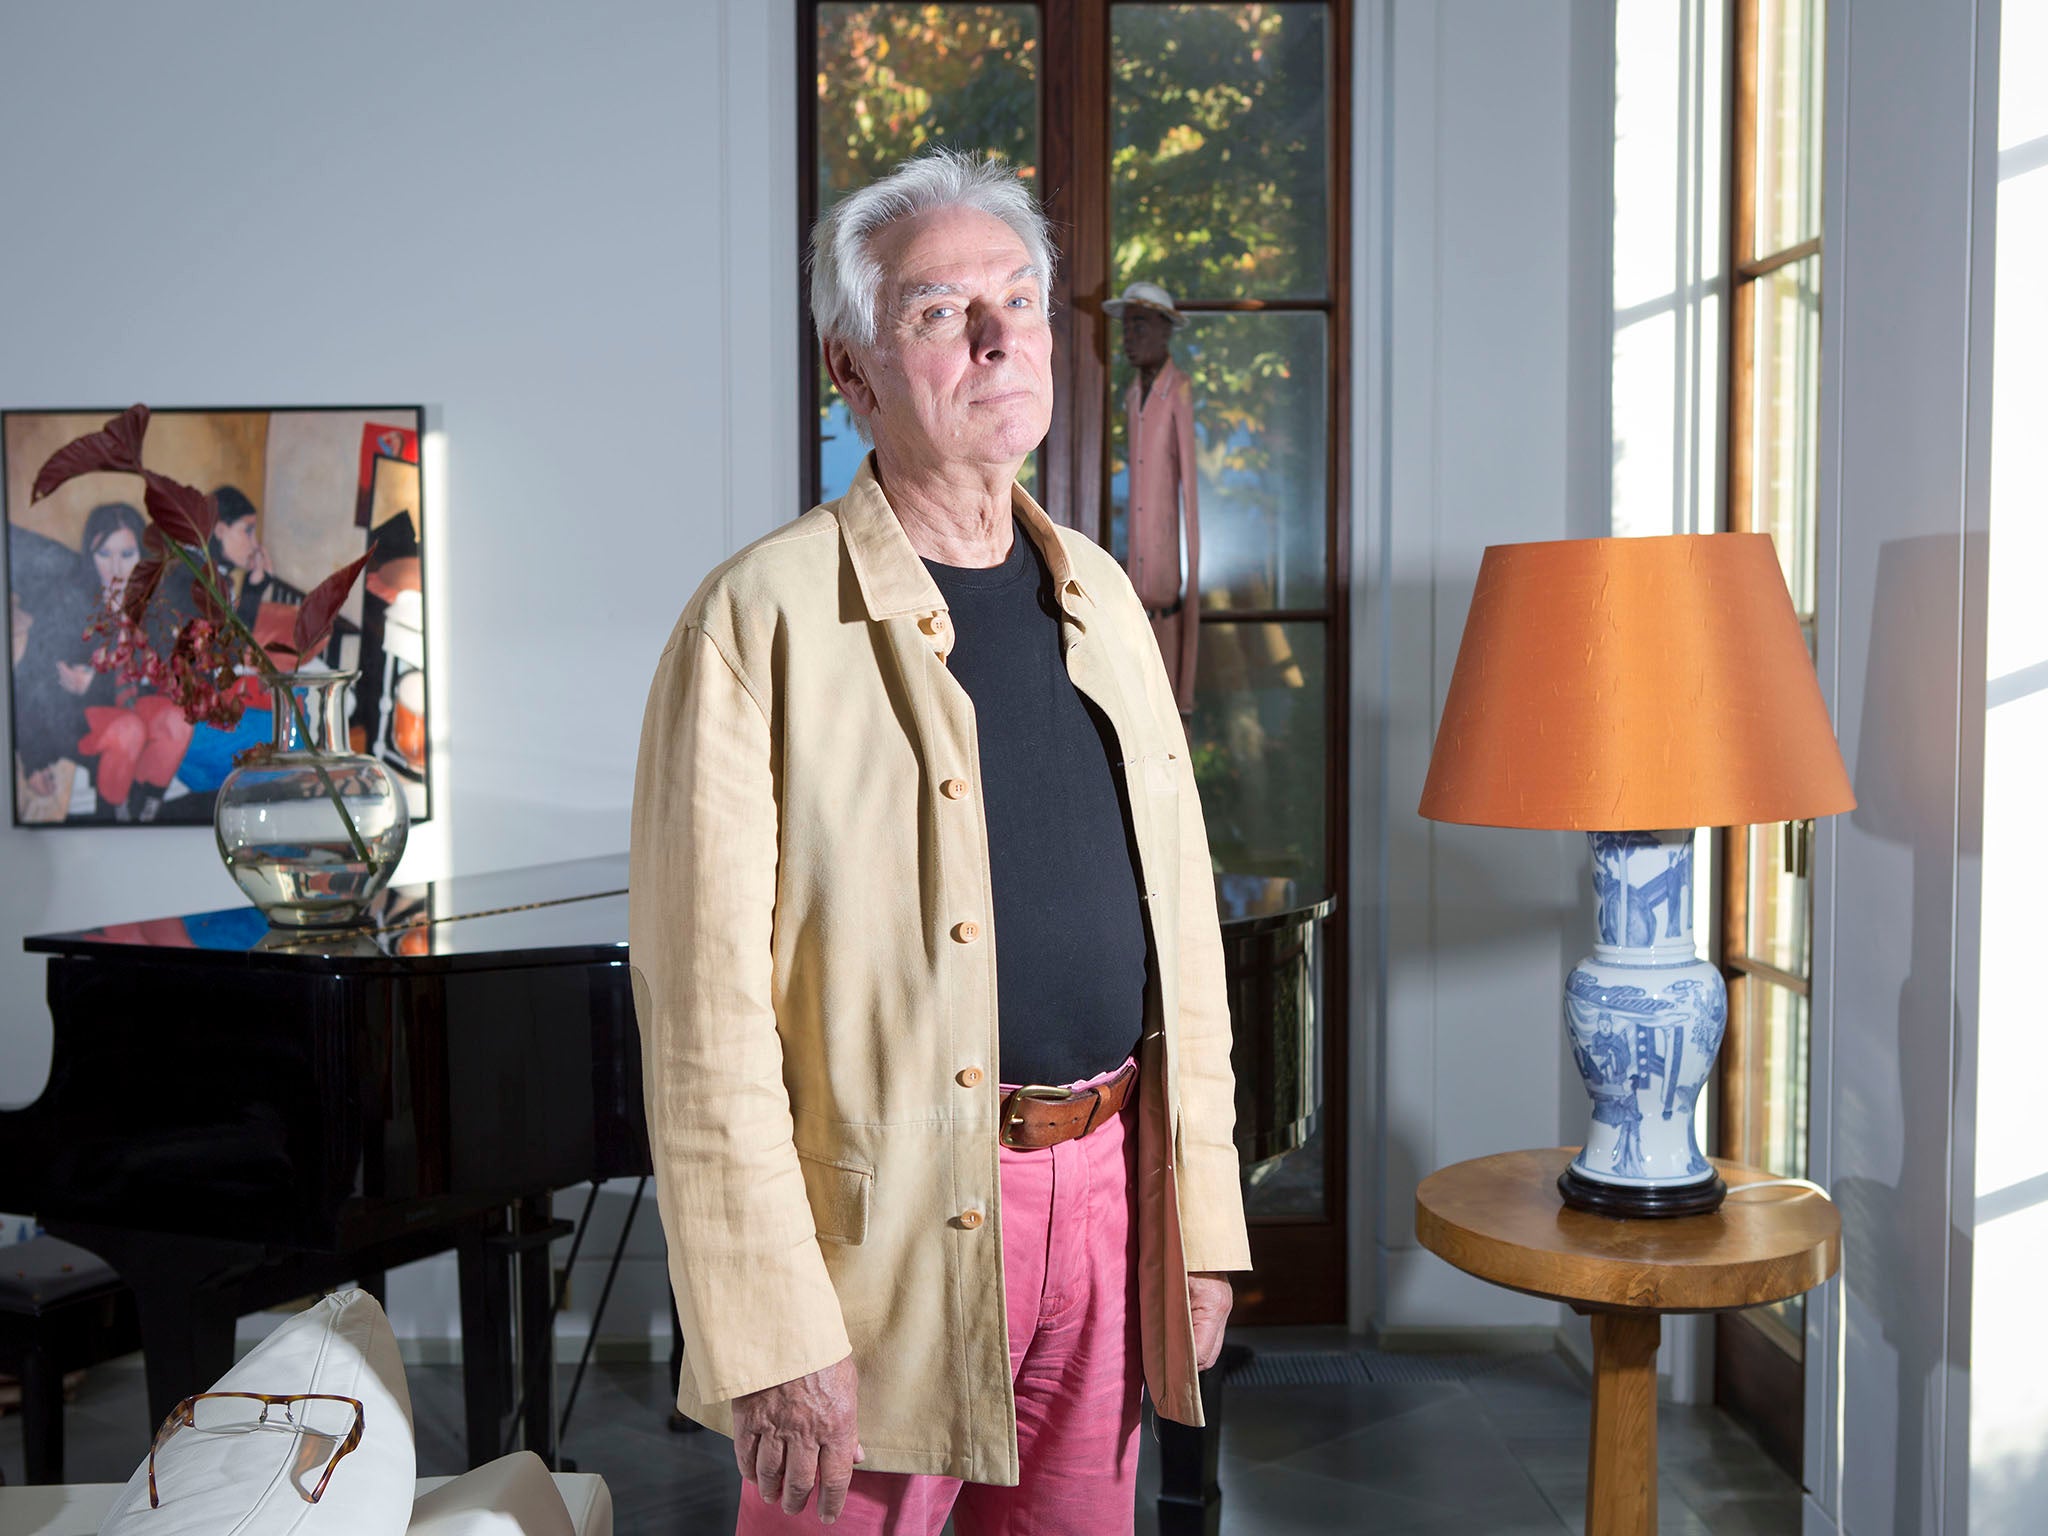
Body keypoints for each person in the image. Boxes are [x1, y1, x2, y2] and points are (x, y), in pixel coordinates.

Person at [629, 148, 1251, 1534]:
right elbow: (701, 1023)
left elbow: (1184, 941)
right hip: (877, 1239)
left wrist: (1199, 1223)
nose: (995, 336)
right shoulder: (756, 622)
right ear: (852, 374)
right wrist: (770, 1328)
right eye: (937, 311)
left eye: (1020, 301)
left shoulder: (1097, 592)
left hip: (1106, 1198)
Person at [1105, 280, 1201, 717]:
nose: (1128, 339)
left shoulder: (1177, 391)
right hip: (1135, 588)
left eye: (1139, 326)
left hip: (1167, 589)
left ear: (1165, 331)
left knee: (1168, 709)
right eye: (1126, 329)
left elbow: (1190, 494)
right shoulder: (1132, 397)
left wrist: (1189, 571)